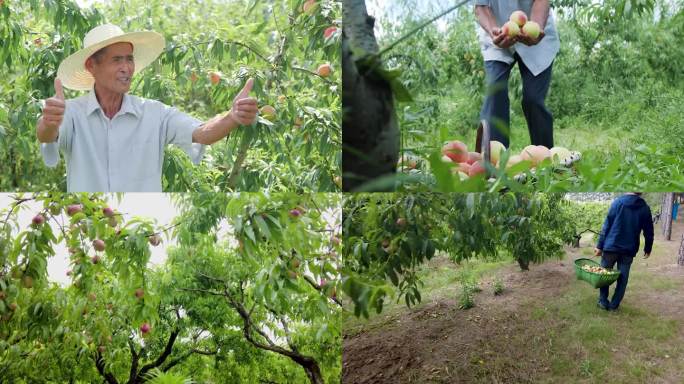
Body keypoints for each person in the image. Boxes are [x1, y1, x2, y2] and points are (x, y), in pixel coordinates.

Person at [37, 24, 259, 192]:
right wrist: (48, 122)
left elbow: (203, 133)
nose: (127, 68)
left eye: (129, 59)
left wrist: (233, 117)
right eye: (116, 60)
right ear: (91, 66)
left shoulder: (154, 113)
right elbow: (48, 136)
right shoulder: (73, 114)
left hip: (142, 228)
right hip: (89, 226)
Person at [474, 0, 560, 148]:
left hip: (535, 33)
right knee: (495, 91)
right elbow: (481, 6)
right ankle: (494, 160)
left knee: (533, 99)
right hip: (498, 34)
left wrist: (537, 26)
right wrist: (493, 29)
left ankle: (545, 158)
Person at [594, 193, 654, 311]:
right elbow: (649, 231)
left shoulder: (617, 203)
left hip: (611, 247)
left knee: (604, 274)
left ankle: (603, 301)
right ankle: (614, 305)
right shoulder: (645, 208)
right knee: (623, 278)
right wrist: (648, 248)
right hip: (628, 249)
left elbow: (607, 225)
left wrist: (599, 245)